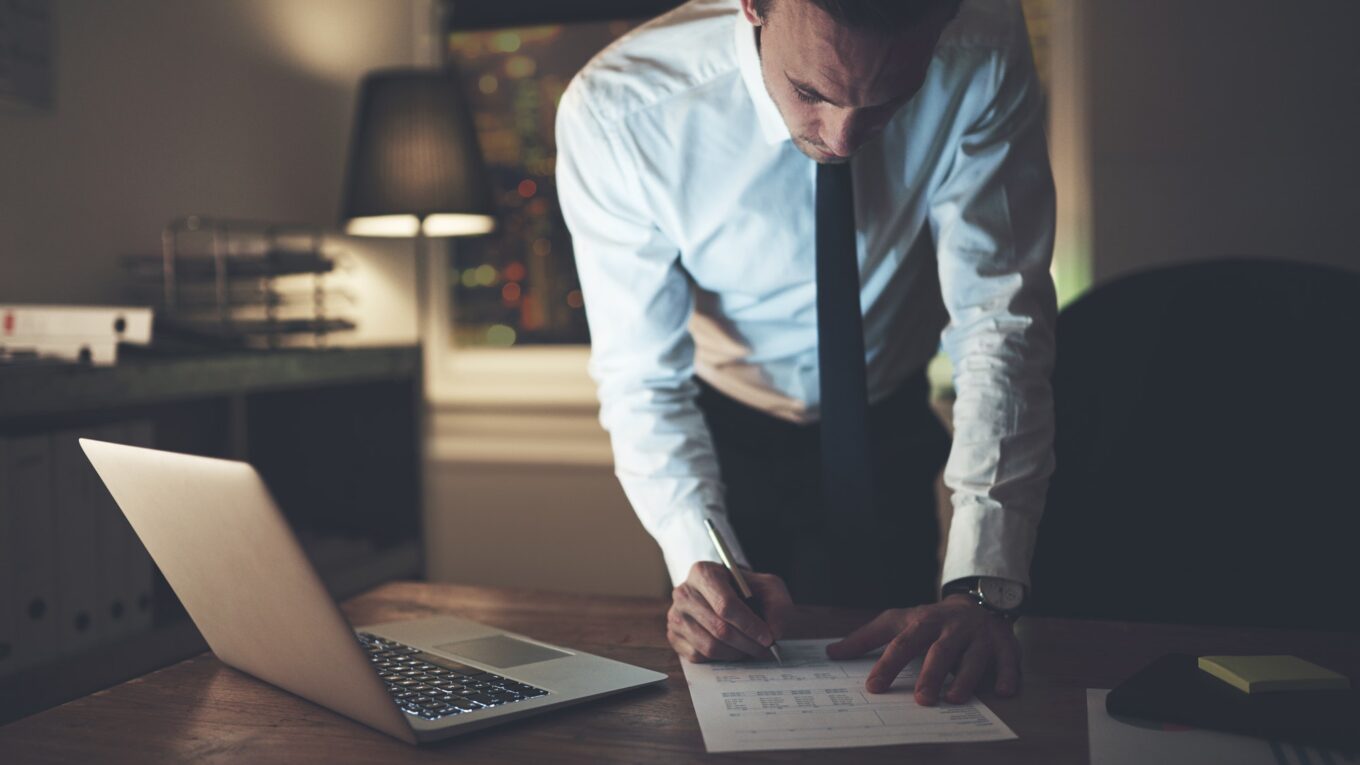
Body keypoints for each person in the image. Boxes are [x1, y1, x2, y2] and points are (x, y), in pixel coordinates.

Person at [556, 0, 1055, 707]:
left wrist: (982, 585)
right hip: (726, 435)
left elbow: (1000, 320)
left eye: (889, 103)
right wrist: (696, 554)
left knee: (915, 705)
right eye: (811, 92)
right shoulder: (620, 113)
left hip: (888, 425)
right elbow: (642, 378)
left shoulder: (984, 46)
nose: (843, 139)